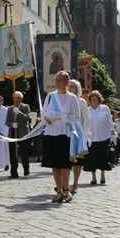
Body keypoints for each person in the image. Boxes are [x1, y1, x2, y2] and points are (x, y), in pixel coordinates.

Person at [41, 70, 80, 203]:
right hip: (52, 132)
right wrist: (52, 115)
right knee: (55, 164)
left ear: (66, 82)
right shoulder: (51, 96)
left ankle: (67, 190)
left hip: (66, 133)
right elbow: (44, 114)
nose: (57, 82)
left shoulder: (72, 98)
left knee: (64, 164)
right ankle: (59, 191)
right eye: (56, 79)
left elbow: (76, 116)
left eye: (59, 80)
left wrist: (62, 116)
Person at [82, 90, 115, 185]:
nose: (94, 101)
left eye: (95, 99)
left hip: (103, 136)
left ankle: (102, 175)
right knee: (92, 157)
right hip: (91, 138)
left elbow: (109, 122)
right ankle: (93, 177)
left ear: (99, 99)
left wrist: (112, 133)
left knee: (102, 157)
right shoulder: (87, 110)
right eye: (92, 99)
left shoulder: (105, 108)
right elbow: (84, 123)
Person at [67, 79, 89, 193]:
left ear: (77, 89)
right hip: (67, 133)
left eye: (72, 86)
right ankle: (64, 185)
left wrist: (85, 135)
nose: (69, 88)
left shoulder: (81, 102)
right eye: (68, 86)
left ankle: (75, 184)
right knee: (65, 161)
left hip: (78, 134)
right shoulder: (65, 101)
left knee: (78, 161)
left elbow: (85, 119)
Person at [6, 91, 31, 178]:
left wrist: (18, 113)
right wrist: (12, 124)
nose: (16, 100)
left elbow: (27, 118)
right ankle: (14, 172)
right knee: (13, 154)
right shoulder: (10, 109)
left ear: (21, 99)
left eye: (18, 98)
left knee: (24, 153)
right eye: (15, 98)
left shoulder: (25, 107)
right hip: (13, 133)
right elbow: (7, 121)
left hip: (23, 133)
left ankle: (26, 170)